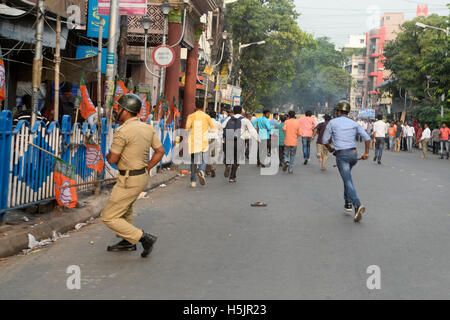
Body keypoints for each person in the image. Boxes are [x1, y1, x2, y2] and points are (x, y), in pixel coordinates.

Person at [102, 93, 165, 257]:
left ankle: (142, 238)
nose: (116, 111)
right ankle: (128, 241)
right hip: (139, 177)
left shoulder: (122, 131)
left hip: (129, 179)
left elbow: (113, 159)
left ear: (126, 111)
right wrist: (147, 168)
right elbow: (160, 151)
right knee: (125, 208)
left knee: (108, 217)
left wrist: (109, 156)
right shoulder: (147, 128)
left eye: (118, 108)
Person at [322, 101, 370, 223]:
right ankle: (347, 203)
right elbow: (367, 138)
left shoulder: (332, 122)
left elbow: (324, 140)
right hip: (353, 155)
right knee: (346, 177)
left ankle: (357, 204)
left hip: (342, 155)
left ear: (338, 112)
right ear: (347, 112)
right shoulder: (354, 123)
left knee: (347, 180)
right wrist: (366, 153)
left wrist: (332, 149)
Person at [223, 106, 259, 182]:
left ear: (233, 111)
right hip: (239, 141)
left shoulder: (229, 118)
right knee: (236, 159)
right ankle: (232, 177)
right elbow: (252, 130)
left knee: (228, 156)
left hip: (229, 140)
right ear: (241, 112)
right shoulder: (245, 120)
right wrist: (257, 139)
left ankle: (228, 164)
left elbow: (222, 126)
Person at [186, 101, 216, 187]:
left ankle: (193, 182)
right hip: (204, 140)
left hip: (194, 140)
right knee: (204, 158)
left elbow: (187, 128)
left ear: (195, 107)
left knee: (193, 161)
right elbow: (213, 128)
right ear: (203, 107)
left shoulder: (191, 116)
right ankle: (202, 170)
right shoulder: (207, 117)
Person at [206, 111, 221, 178]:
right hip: (215, 139)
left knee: (207, 155)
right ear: (215, 116)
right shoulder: (218, 123)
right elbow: (220, 132)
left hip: (207, 139)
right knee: (213, 155)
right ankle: (212, 167)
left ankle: (208, 170)